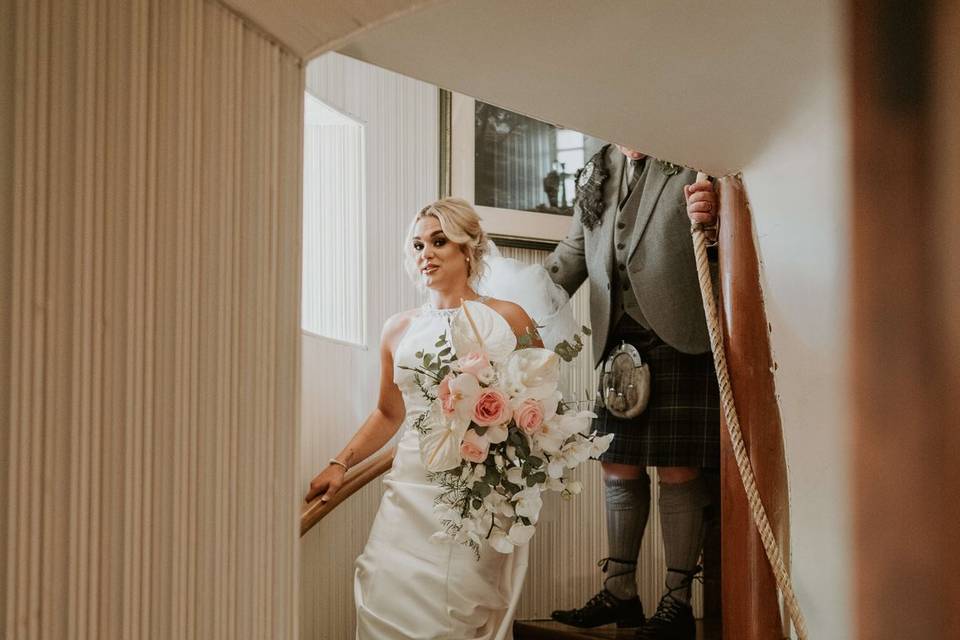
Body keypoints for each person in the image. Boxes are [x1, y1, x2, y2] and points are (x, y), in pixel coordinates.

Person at [305, 198, 544, 640]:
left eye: (439, 242)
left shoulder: (509, 318)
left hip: (472, 492)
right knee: (382, 592)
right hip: (407, 491)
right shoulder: (398, 328)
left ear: (468, 250)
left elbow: (541, 405)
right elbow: (388, 413)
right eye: (417, 245)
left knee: (450, 611)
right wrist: (339, 464)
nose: (425, 254)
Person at [546, 144, 720, 639]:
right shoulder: (597, 167)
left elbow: (728, 230)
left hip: (681, 334)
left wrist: (716, 219)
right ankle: (620, 590)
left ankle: (678, 602)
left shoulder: (690, 147)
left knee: (677, 467)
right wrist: (513, 306)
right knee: (616, 464)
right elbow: (572, 255)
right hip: (618, 340)